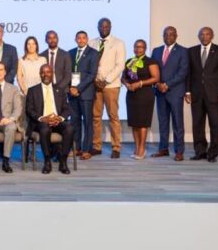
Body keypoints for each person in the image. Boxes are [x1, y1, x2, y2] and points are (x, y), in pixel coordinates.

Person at [185, 27, 218, 163]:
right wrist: (187, 92)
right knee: (197, 124)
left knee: (215, 124)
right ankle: (200, 152)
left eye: (207, 34)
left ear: (212, 36)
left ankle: (212, 154)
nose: (204, 37)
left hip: (215, 95)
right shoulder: (191, 51)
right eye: (202, 34)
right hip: (196, 94)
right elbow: (188, 73)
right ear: (198, 36)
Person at [88, 17, 126, 159]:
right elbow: (89, 63)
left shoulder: (118, 43)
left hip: (111, 85)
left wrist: (105, 81)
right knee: (96, 117)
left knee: (113, 117)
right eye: (101, 26)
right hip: (95, 85)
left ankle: (116, 147)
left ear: (110, 27)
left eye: (106, 26)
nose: (104, 28)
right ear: (98, 27)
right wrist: (95, 80)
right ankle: (96, 146)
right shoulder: (91, 42)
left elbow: (120, 65)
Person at [26, 64, 74, 174]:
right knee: (45, 129)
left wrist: (60, 118)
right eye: (43, 72)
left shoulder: (60, 90)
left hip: (57, 121)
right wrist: (42, 118)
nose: (45, 74)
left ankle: (63, 161)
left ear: (52, 74)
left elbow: (66, 109)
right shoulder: (33, 90)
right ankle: (47, 161)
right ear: (40, 75)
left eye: (48, 72)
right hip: (41, 122)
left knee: (69, 128)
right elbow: (29, 109)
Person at [151, 26, 188, 161]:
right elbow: (152, 70)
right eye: (165, 34)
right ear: (163, 36)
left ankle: (179, 151)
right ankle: (163, 149)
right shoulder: (156, 51)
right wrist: (158, 84)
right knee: (163, 122)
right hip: (160, 92)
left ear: (176, 36)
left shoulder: (183, 51)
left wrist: (167, 85)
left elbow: (182, 72)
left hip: (175, 92)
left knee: (178, 123)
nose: (168, 36)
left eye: (171, 34)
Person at [122, 39, 160, 160]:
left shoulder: (150, 61)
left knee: (142, 122)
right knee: (134, 123)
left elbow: (156, 78)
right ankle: (137, 147)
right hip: (131, 95)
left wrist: (140, 83)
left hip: (145, 94)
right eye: (136, 47)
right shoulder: (130, 61)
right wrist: (127, 84)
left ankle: (142, 149)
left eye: (141, 47)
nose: (138, 49)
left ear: (145, 48)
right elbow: (123, 77)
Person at [67, 31, 99, 160]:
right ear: (75, 39)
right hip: (72, 93)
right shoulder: (71, 52)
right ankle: (77, 148)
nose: (81, 40)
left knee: (87, 122)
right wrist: (70, 88)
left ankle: (87, 150)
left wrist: (78, 88)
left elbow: (92, 75)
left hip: (86, 93)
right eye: (78, 38)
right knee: (74, 121)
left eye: (83, 38)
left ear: (87, 39)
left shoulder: (93, 53)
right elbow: (68, 72)